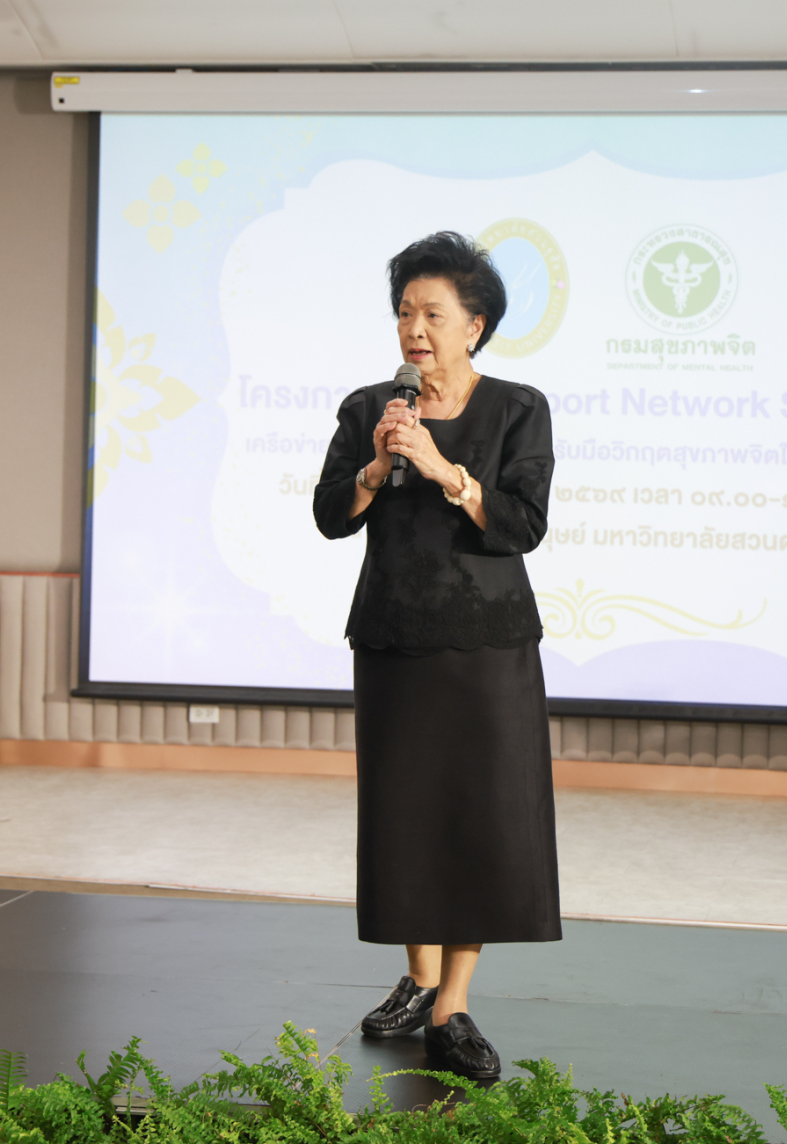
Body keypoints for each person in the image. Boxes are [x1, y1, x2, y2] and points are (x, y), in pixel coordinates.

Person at [311, 231, 560, 1082]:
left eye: (433, 314)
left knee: (478, 819)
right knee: (407, 817)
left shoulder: (518, 409)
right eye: (404, 312)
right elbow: (329, 516)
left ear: (475, 325)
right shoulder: (369, 408)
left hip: (488, 644)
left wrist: (446, 471)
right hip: (394, 636)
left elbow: (523, 525)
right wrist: (377, 466)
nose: (414, 329)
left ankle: (453, 1005)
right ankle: (419, 980)